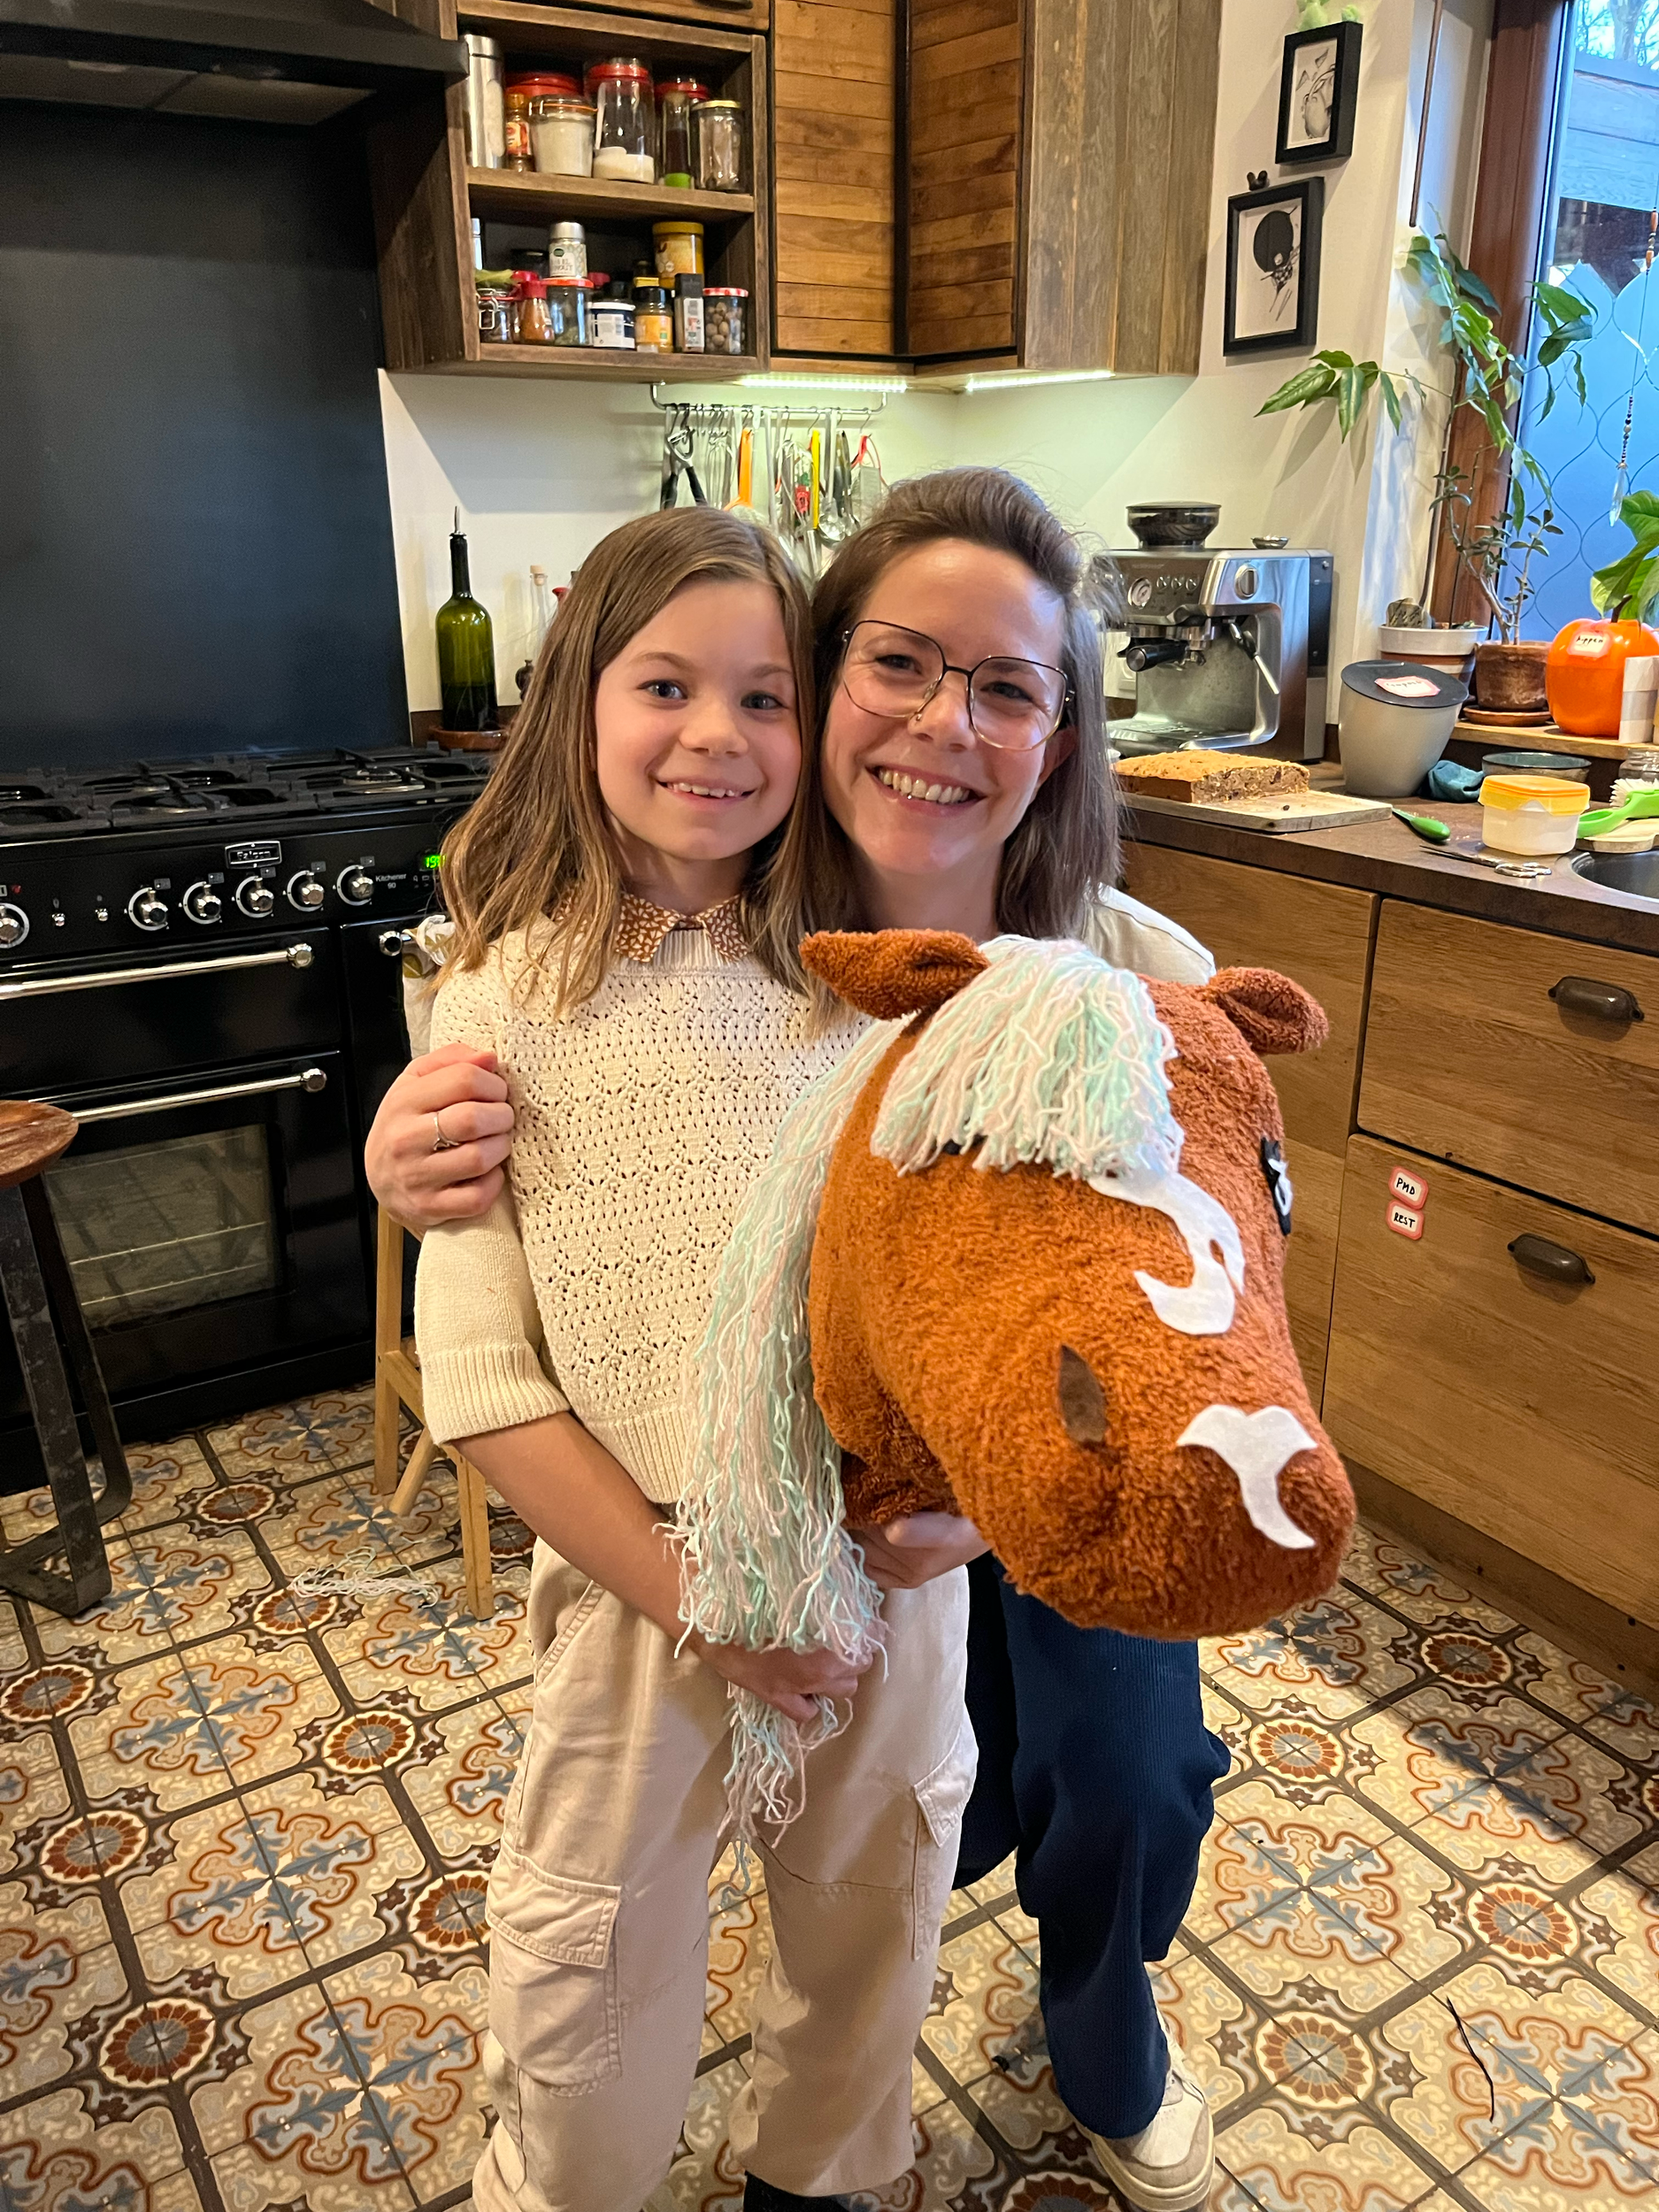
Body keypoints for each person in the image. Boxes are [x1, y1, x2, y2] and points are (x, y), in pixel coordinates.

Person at [370, 469, 1229, 2212]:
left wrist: (967, 1508)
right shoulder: (617, 966)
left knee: (1084, 1789)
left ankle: (1091, 2032)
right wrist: (412, 1147)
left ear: (1061, 733)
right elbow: (499, 1339)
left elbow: (1183, 1271)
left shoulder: (1095, 968)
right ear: (844, 684)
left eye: (1004, 687)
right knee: (610, 1943)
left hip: (974, 1500)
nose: (941, 724)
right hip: (678, 1556)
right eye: (895, 666)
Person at [414, 503, 975, 2212]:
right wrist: (700, 1598)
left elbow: (979, 1308)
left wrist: (957, 1520)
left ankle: (820, 2177)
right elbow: (483, 1379)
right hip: (637, 1584)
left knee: (873, 1927)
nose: (715, 735)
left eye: (764, 697)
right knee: (587, 1971)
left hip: (882, 1578)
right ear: (580, 698)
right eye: (665, 685)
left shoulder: (879, 985)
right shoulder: (498, 997)